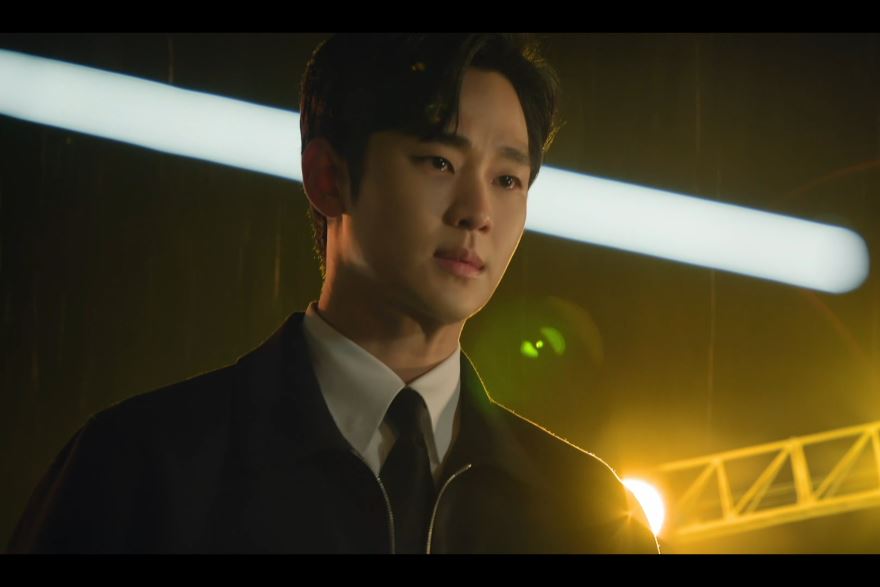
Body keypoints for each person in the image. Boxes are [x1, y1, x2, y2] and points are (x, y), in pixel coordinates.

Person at [7, 33, 659, 554]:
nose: (477, 211)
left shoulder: (587, 511)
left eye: (508, 179)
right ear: (328, 177)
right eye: (439, 161)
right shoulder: (142, 468)